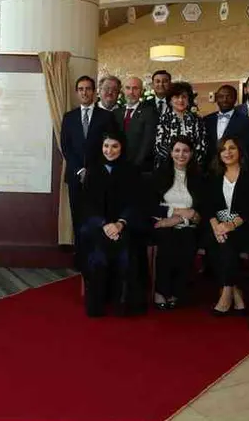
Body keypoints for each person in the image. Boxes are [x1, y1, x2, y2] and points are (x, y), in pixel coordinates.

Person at [79, 130, 146, 316]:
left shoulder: (131, 171)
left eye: (114, 146)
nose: (110, 150)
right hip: (97, 224)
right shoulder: (92, 171)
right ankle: (97, 301)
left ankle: (123, 302)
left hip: (125, 224)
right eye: (106, 146)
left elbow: (136, 202)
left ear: (122, 147)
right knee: (98, 246)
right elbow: (87, 204)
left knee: (125, 244)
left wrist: (120, 223)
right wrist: (104, 224)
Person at [204, 136, 249, 315]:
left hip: (244, 224)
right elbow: (207, 206)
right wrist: (216, 227)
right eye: (223, 149)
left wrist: (231, 225)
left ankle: (226, 291)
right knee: (215, 240)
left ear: (240, 151)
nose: (227, 152)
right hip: (218, 224)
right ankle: (236, 292)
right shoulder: (213, 175)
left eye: (232, 148)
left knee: (228, 241)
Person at [60, 76, 118, 245]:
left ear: (94, 92)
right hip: (75, 177)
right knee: (77, 217)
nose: (84, 92)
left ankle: (96, 255)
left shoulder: (106, 117)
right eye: (81, 89)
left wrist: (93, 170)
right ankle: (80, 256)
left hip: (99, 176)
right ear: (77, 92)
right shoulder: (69, 117)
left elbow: (110, 147)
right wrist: (80, 170)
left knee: (98, 217)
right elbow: (66, 147)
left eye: (88, 89)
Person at [150, 136, 203, 310]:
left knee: (186, 242)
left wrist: (181, 218)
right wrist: (173, 214)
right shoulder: (160, 174)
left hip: (188, 225)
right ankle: (160, 291)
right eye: (177, 150)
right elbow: (149, 205)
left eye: (185, 151)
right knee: (167, 242)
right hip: (162, 222)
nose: (181, 154)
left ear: (191, 153)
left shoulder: (198, 177)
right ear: (171, 153)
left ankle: (175, 291)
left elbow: (200, 209)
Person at [154, 81, 207, 169]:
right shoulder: (163, 119)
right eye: (176, 97)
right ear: (170, 101)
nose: (180, 100)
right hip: (167, 168)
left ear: (188, 100)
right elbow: (159, 146)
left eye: (184, 97)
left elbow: (202, 146)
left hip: (193, 168)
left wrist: (188, 163)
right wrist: (176, 163)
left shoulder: (197, 120)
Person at [113, 76, 155, 172]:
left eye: (135, 88)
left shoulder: (149, 113)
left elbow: (147, 143)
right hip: (117, 166)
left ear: (141, 91)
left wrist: (134, 167)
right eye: (128, 88)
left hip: (139, 168)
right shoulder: (116, 113)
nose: (131, 92)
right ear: (123, 91)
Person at [204, 84, 249, 163]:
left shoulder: (245, 121)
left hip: (234, 166)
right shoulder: (207, 120)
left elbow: (245, 148)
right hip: (210, 167)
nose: (225, 99)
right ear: (217, 99)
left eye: (228, 96)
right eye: (221, 97)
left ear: (235, 99)